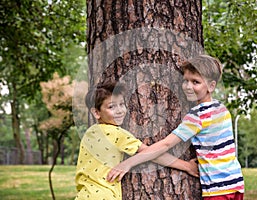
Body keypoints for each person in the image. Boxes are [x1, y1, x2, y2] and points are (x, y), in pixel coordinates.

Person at [107, 55, 245, 200]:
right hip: (235, 183)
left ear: (211, 86)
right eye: (186, 80)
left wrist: (128, 163)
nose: (188, 86)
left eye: (195, 82)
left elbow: (166, 143)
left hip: (218, 188)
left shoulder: (198, 115)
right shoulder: (221, 109)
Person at [74, 81, 199, 200]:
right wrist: (187, 166)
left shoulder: (90, 132)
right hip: (105, 195)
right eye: (112, 106)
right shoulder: (116, 133)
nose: (119, 110)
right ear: (96, 113)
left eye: (122, 104)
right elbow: (151, 154)